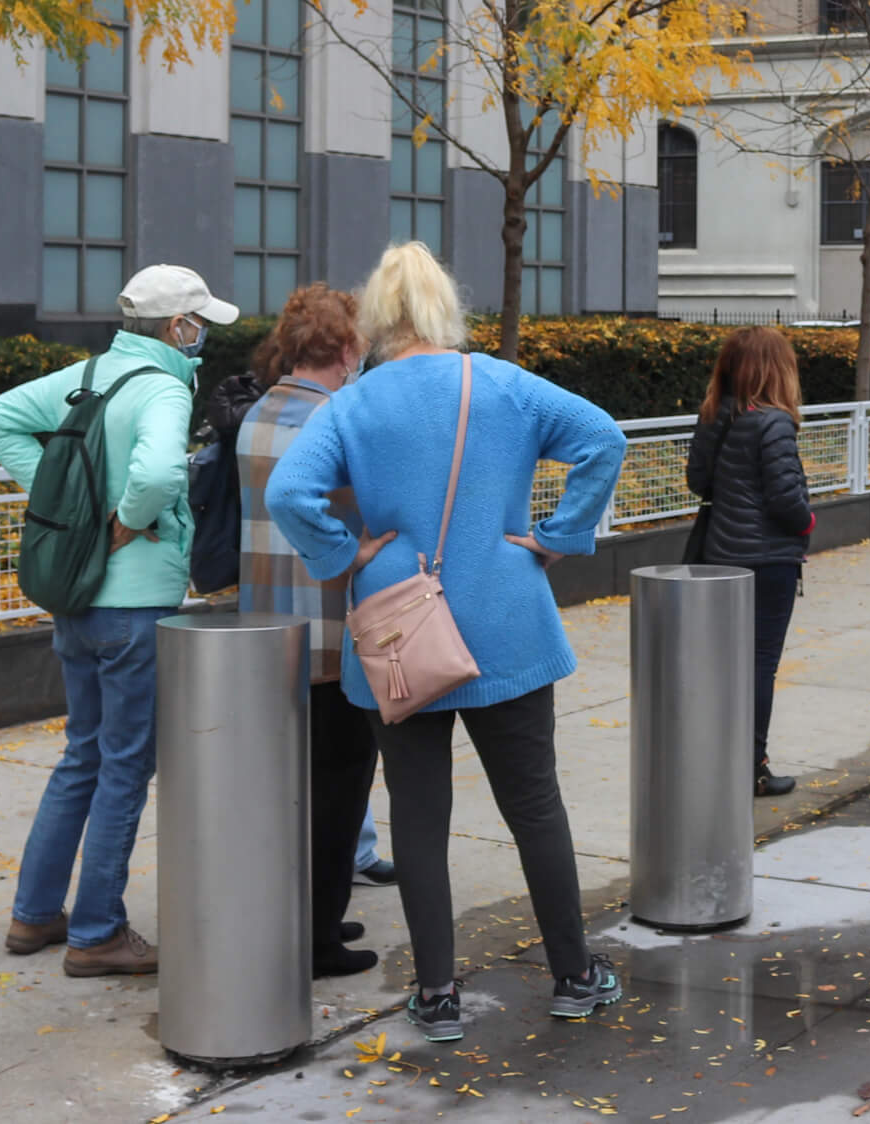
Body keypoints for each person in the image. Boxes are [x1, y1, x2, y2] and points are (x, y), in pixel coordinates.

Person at [266, 242, 627, 1043]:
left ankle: (435, 996)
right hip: (505, 614)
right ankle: (573, 975)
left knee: (418, 817)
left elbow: (289, 490)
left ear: (377, 317)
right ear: (444, 308)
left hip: (397, 625)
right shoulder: (501, 383)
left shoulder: (355, 404)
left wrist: (343, 555)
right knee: (535, 805)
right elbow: (604, 439)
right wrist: (558, 536)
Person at [0, 264, 239, 977]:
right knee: (125, 765)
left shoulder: (87, 375)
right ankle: (96, 932)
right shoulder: (160, 386)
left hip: (77, 602)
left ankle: (34, 916)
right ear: (177, 327)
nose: (204, 334)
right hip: (134, 606)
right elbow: (156, 476)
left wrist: (69, 511)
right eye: (199, 322)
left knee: (82, 755)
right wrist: (121, 517)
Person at [235, 283, 386, 978]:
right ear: (348, 350)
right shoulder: (339, 422)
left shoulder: (257, 412)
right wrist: (358, 552)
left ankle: (301, 913)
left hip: (267, 629)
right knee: (339, 789)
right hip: (330, 636)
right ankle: (320, 939)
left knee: (291, 788)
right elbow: (367, 514)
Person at [686, 326, 813, 799]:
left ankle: (716, 758)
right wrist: (807, 522)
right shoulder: (774, 421)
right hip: (768, 560)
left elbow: (698, 482)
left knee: (725, 664)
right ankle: (752, 767)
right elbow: (785, 499)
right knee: (760, 665)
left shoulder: (714, 414)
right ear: (776, 368)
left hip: (720, 556)